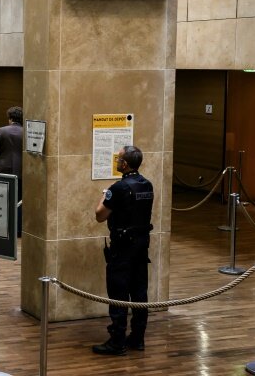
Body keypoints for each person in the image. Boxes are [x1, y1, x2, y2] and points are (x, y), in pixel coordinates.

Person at [92, 145, 154, 356]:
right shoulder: (147, 185)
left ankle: (117, 341)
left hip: (122, 247)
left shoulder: (118, 188)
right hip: (141, 246)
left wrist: (104, 194)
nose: (116, 161)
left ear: (125, 164)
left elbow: (100, 215)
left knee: (118, 293)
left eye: (118, 158)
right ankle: (137, 338)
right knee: (139, 293)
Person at [0, 105, 23, 234]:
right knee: (19, 200)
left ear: (10, 118)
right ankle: (18, 228)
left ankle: (6, 227)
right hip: (22, 170)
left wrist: (1, 158)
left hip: (5, 169)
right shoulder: (26, 131)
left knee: (5, 199)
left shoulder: (2, 130)